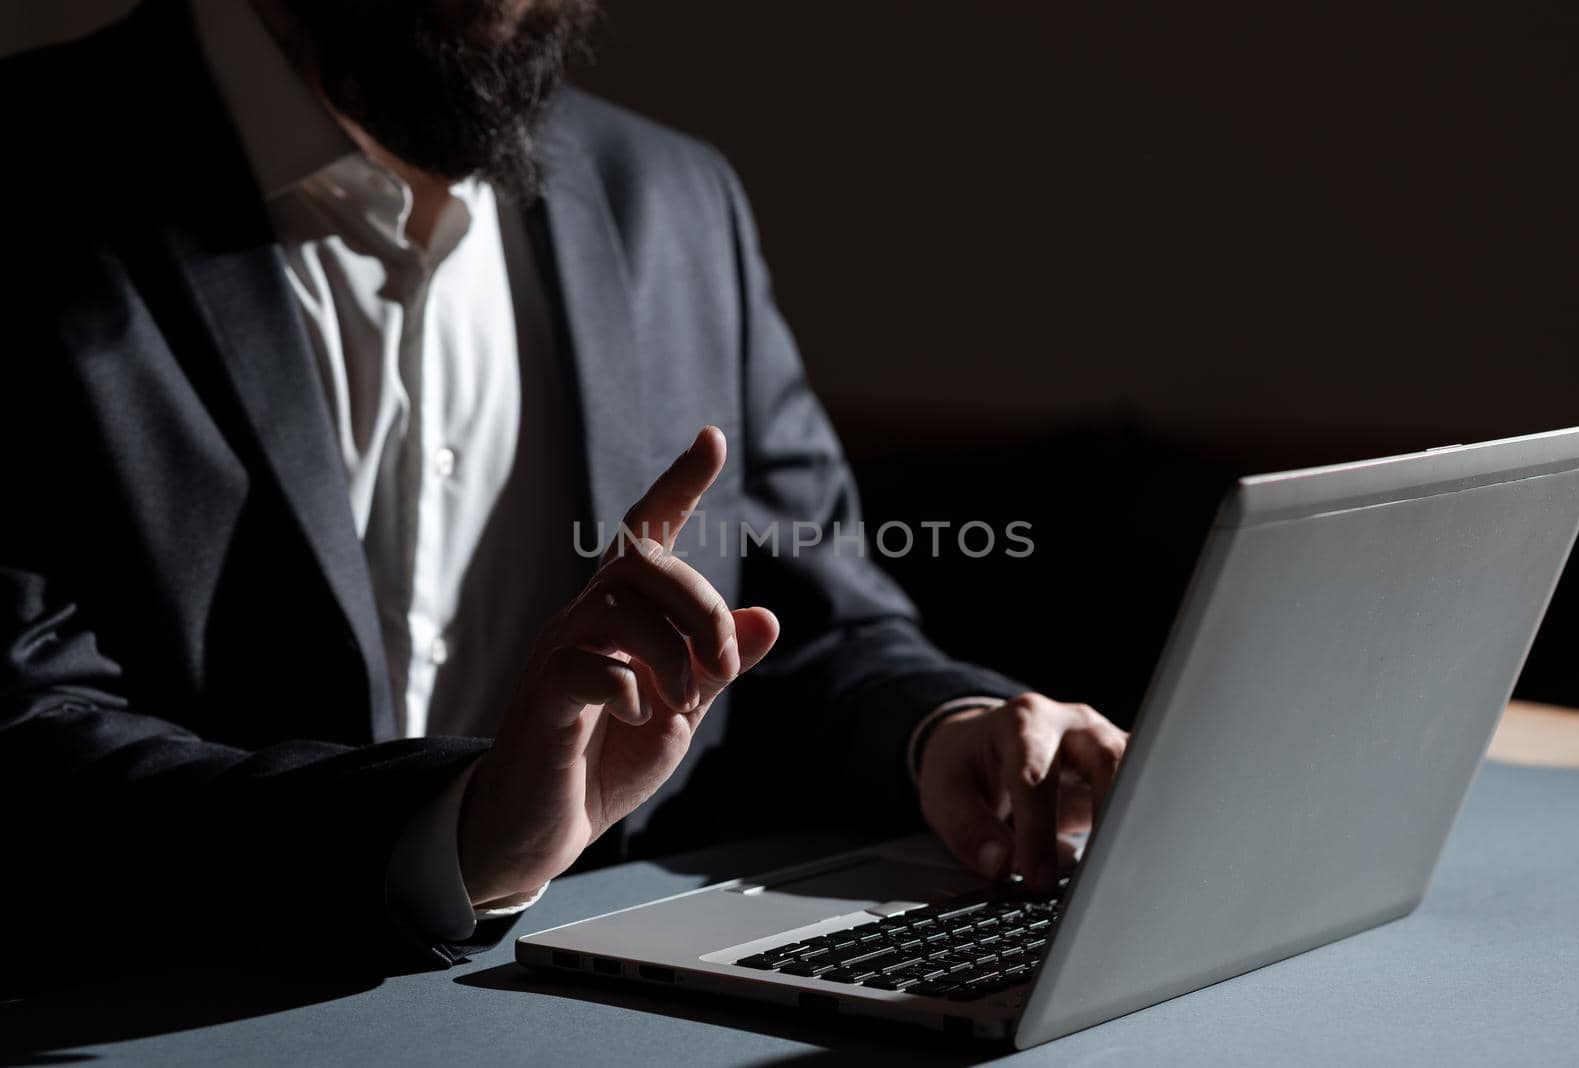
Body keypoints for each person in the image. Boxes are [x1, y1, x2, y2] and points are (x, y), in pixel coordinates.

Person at [0, 0, 1126, 985]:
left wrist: (948, 735)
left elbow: (816, 620)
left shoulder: (676, 200)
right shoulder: (34, 165)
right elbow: (20, 730)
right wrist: (452, 836)